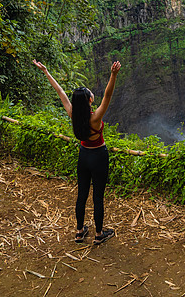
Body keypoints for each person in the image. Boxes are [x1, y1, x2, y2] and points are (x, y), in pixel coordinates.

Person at [32, 58, 121, 245]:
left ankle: (79, 232)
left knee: (82, 194)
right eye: (90, 93)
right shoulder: (95, 118)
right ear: (89, 100)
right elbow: (107, 96)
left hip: (84, 156)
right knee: (98, 197)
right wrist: (113, 75)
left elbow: (60, 92)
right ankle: (98, 235)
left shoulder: (73, 114)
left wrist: (46, 71)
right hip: (99, 156)